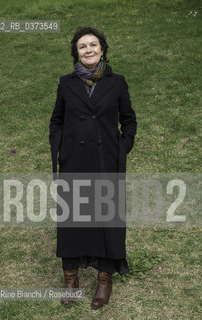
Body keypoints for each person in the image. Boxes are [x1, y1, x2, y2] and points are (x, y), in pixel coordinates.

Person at [49, 26, 137, 309]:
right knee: (72, 219)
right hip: (75, 161)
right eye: (82, 46)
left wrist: (121, 149)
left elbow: (129, 120)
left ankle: (104, 279)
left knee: (107, 219)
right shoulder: (66, 83)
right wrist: (61, 148)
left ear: (102, 49)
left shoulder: (117, 82)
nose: (88, 50)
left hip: (106, 161)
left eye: (93, 45)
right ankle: (71, 279)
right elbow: (57, 120)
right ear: (76, 53)